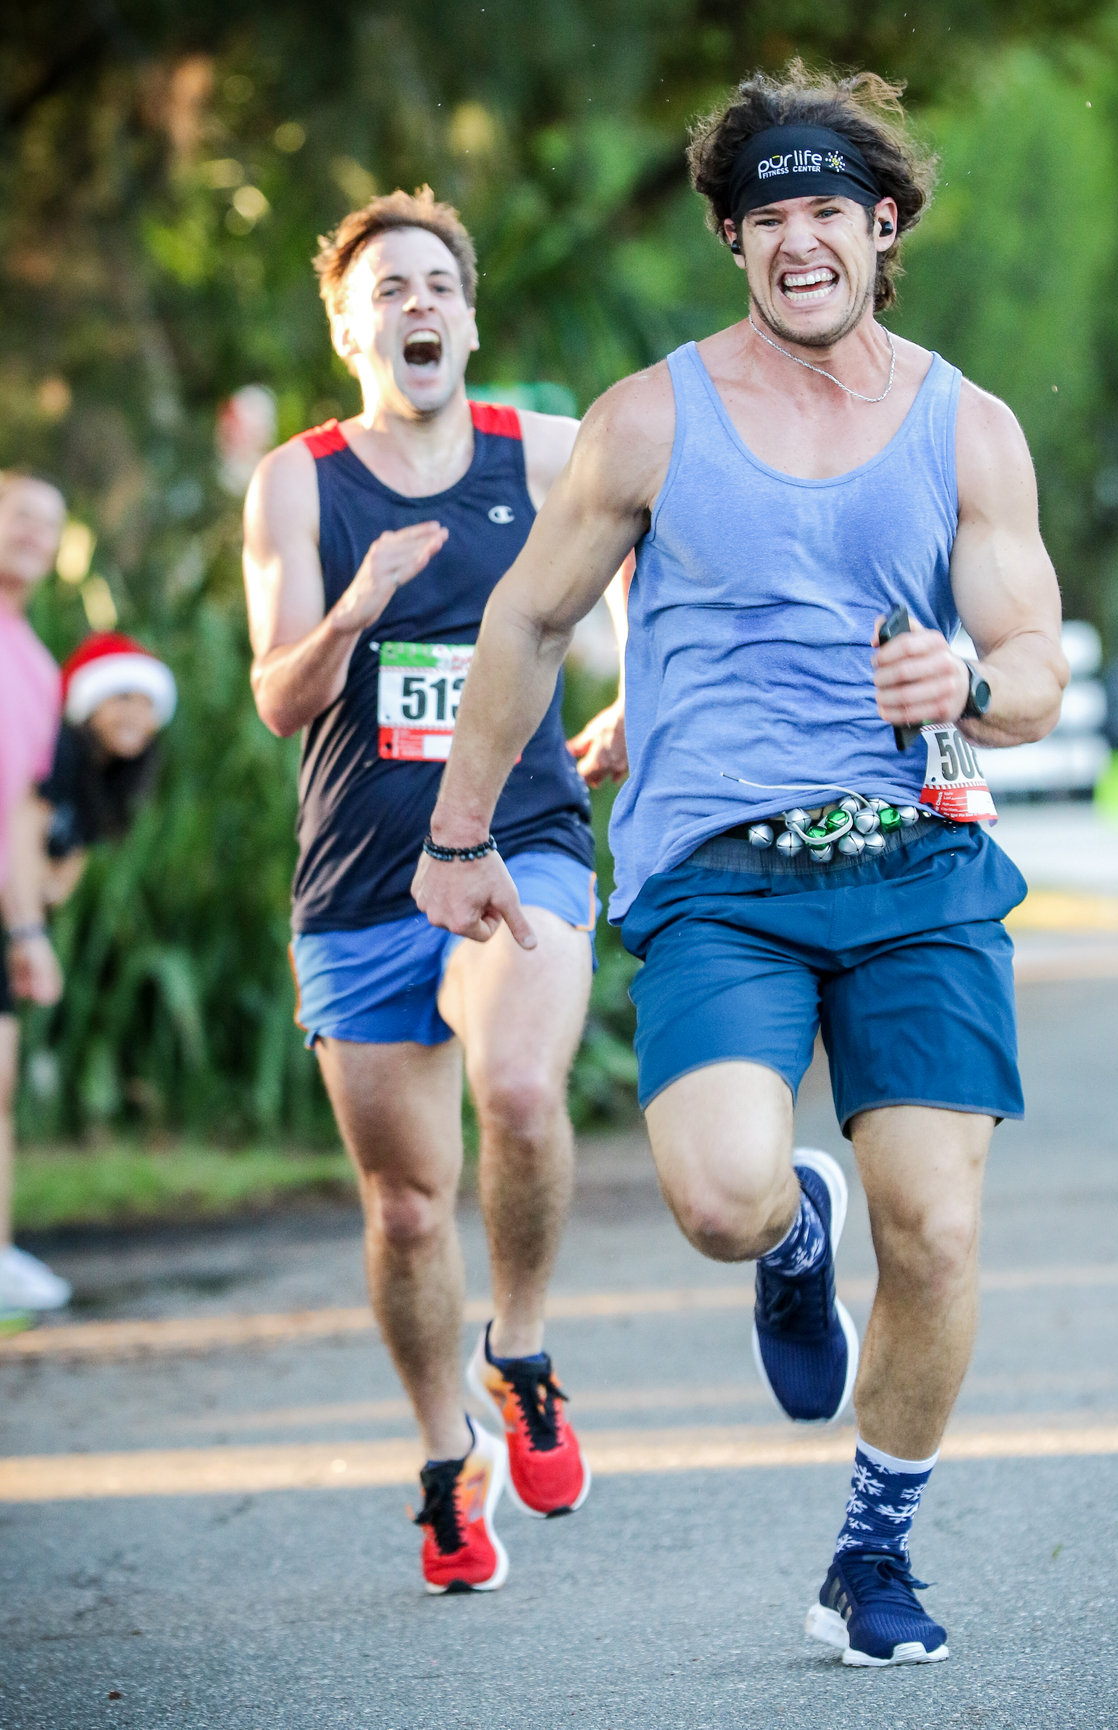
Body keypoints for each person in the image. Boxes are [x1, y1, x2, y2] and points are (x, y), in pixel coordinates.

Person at [411, 64, 1069, 1665]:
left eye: (827, 211)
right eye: (766, 217)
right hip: (721, 872)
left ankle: (872, 1551)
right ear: (730, 236)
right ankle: (789, 1238)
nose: (798, 244)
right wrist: (458, 830)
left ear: (883, 223)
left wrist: (971, 690)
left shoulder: (964, 426)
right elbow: (530, 618)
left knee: (934, 1233)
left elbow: (1036, 661)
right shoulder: (651, 417)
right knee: (716, 1196)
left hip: (917, 863)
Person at [243, 187, 627, 1596]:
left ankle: (518, 1351)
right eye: (386, 290)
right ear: (350, 331)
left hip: (520, 835)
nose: (415, 306)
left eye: (436, 287)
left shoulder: (548, 452)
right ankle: (442, 1457)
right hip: (358, 877)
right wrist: (357, 606)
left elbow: (654, 574)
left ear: (468, 319)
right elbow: (279, 698)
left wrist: (641, 694)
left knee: (521, 1089)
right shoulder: (301, 482)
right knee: (405, 1207)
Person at [0, 470, 69, 1317]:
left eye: (50, 526)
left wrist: (32, 911)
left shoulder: (38, 661)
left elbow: (36, 807)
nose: (36, 536)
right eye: (20, 516)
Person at [38, 633, 177, 905]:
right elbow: (21, 841)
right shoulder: (57, 752)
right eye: (123, 698)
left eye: (147, 703)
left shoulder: (107, 781)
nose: (136, 714)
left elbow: (60, 885)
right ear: (89, 705)